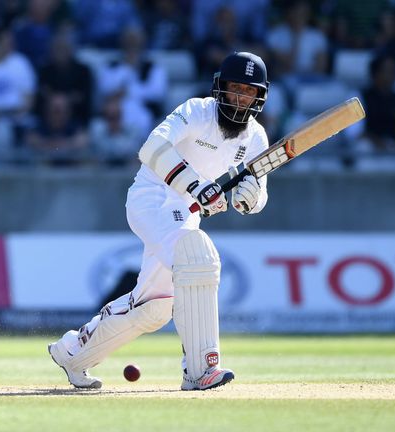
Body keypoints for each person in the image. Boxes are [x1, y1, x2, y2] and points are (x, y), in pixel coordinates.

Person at [48, 52, 271, 390]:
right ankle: (200, 370)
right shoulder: (197, 111)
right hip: (152, 197)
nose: (240, 98)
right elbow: (151, 147)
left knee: (155, 307)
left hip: (186, 212)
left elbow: (259, 194)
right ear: (220, 88)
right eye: (234, 88)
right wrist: (195, 185)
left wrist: (250, 198)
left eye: (248, 91)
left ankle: (73, 352)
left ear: (259, 97)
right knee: (198, 257)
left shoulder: (255, 138)